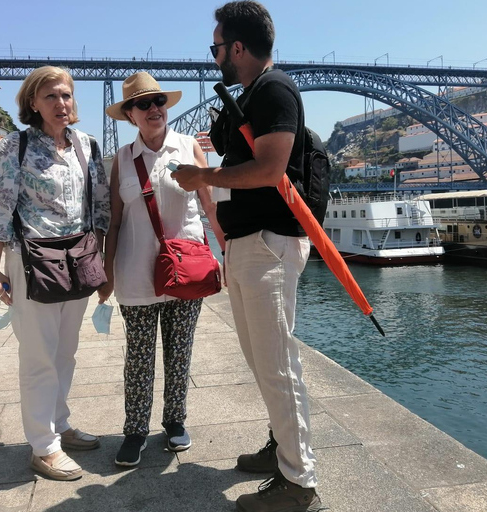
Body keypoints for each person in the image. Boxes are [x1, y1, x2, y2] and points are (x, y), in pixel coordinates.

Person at [172, 2, 321, 511]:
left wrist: (203, 177)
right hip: (249, 245)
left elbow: (270, 168)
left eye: (216, 47)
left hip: (268, 244)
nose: (214, 56)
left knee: (277, 363)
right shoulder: (254, 94)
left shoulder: (275, 89)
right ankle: (283, 449)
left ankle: (300, 485)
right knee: (264, 361)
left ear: (237, 47)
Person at [0, 66, 110, 482]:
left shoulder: (87, 145)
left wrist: (101, 264)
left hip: (79, 258)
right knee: (38, 357)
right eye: (51, 96)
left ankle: (59, 423)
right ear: (32, 102)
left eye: (67, 95)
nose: (61, 103)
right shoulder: (14, 147)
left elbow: (100, 208)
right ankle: (43, 446)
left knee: (65, 353)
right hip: (32, 259)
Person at [100, 72, 225, 467]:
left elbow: (209, 206)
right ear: (130, 115)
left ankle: (174, 422)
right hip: (136, 271)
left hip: (186, 271)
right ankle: (135, 430)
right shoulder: (121, 159)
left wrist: (227, 248)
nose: (154, 109)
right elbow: (115, 221)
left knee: (180, 351)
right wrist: (106, 271)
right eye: (144, 104)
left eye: (159, 102)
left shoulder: (189, 147)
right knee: (138, 356)